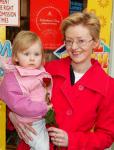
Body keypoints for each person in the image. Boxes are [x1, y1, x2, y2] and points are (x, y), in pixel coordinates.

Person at [9, 12, 114, 150]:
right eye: (69, 41)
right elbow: (15, 93)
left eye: (81, 41)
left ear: (95, 43)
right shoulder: (47, 70)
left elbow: (106, 136)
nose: (74, 47)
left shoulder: (108, 86)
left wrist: (72, 140)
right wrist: (12, 115)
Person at [0, 31, 53, 150]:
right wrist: (43, 108)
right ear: (15, 57)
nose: (32, 58)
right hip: (30, 121)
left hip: (38, 118)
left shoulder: (35, 71)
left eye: (36, 54)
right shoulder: (14, 78)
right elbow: (18, 104)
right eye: (26, 54)